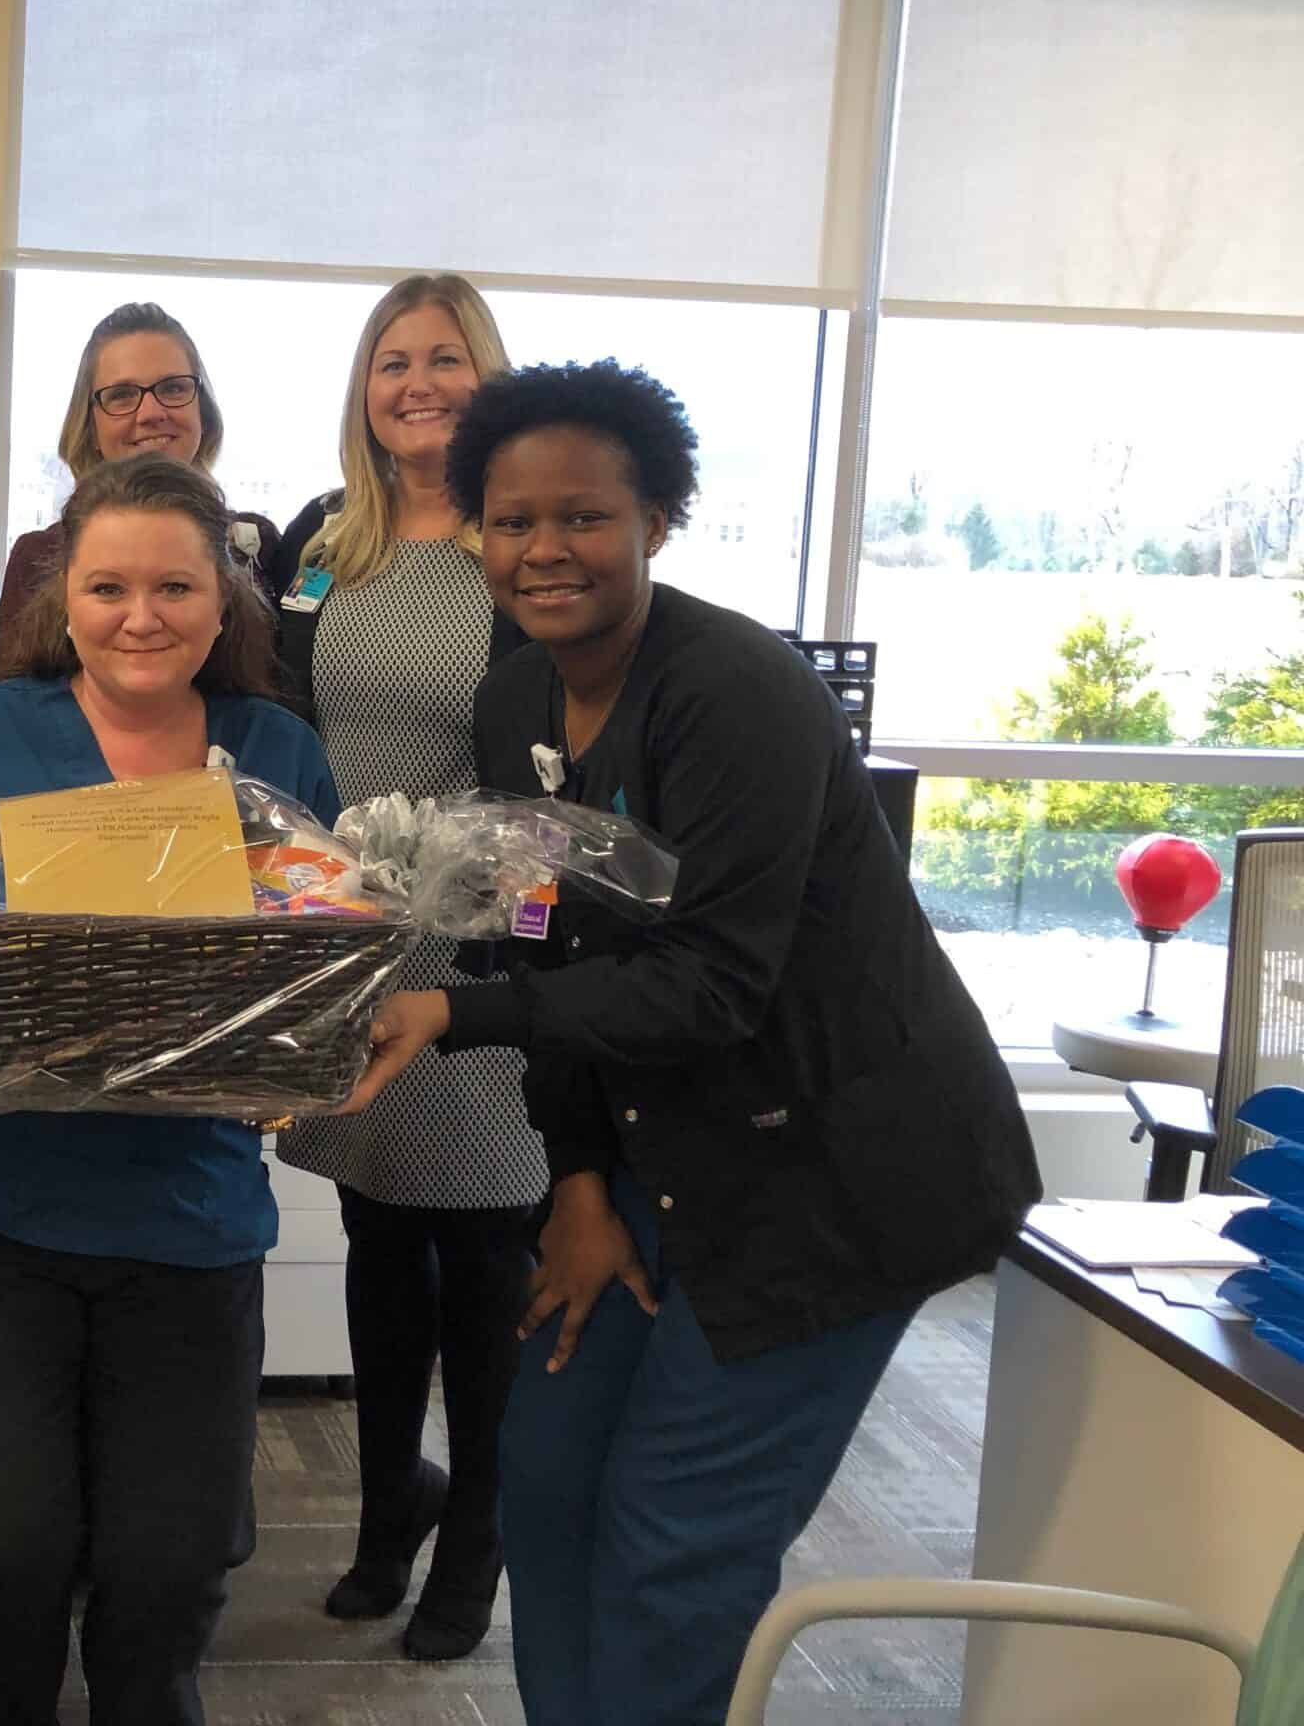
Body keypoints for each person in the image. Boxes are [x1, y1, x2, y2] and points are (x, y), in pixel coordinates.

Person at [345, 359, 1042, 1726]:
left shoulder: (738, 694)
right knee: (544, 1487)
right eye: (511, 519)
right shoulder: (515, 704)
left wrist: (450, 1012)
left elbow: (711, 987)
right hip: (655, 1158)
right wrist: (584, 1187)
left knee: (675, 1547)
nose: (545, 549)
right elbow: (545, 943)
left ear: (658, 519)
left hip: (832, 1180)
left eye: (584, 516)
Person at [0, 452, 339, 1726]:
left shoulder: (278, 752)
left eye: (175, 587)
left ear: (224, 600)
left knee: (167, 1567)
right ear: (60, 597)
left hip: (186, 1222)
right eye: (108, 586)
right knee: (3, 1555)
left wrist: (297, 1061)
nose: (142, 616)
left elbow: (321, 971)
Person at [269, 274, 538, 1661]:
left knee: (486, 1255)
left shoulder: (520, 548)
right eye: (392, 362)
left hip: (479, 945)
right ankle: (391, 1510)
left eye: (444, 359)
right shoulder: (326, 545)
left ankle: (477, 1544)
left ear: (488, 380)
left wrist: (477, 895)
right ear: (362, 393)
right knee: (378, 1232)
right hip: (350, 944)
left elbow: (552, 767)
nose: (416, 383)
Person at [0, 301, 289, 622]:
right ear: (89, 425)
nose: (151, 413)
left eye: (173, 388)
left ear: (202, 412)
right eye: (122, 394)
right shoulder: (37, 558)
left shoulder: (257, 547)